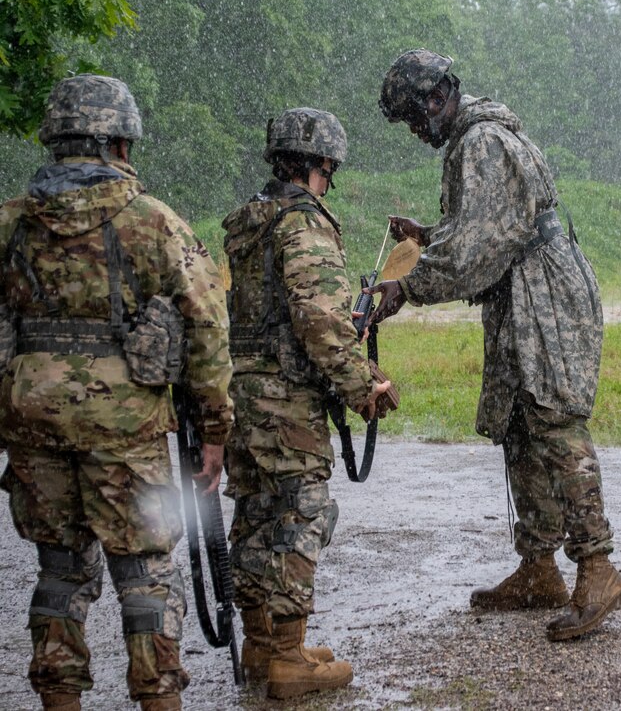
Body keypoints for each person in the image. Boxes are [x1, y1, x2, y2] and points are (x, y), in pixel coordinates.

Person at [369, 49, 621, 641]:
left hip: (543, 292)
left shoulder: (480, 143)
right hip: (520, 288)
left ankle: (598, 568)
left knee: (553, 419)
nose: (416, 131)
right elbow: (483, 230)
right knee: (518, 422)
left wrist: (406, 286)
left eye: (415, 117)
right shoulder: (478, 139)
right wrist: (427, 236)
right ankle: (540, 569)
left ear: (437, 98)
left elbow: (473, 254)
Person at [0, 74, 234, 711]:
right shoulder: (152, 222)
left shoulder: (13, 223)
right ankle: (157, 699)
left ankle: (59, 700)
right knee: (145, 573)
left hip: (31, 420)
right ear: (121, 144)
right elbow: (208, 325)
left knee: (59, 571)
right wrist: (214, 431)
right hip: (125, 426)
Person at [222, 107, 391, 699]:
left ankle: (261, 644)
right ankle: (290, 658)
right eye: (329, 169)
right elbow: (318, 318)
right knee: (304, 511)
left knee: (256, 514)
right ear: (320, 163)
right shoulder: (303, 223)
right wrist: (362, 383)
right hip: (289, 397)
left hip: (245, 390)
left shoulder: (253, 221)